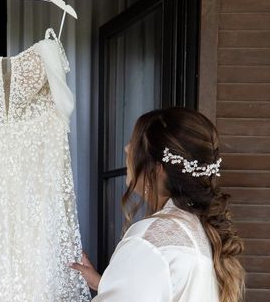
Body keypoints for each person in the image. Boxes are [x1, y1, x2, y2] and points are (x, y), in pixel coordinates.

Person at [72, 107, 245, 301]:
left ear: (157, 168)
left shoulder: (151, 241)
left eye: (135, 145)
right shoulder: (196, 229)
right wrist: (108, 284)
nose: (127, 149)